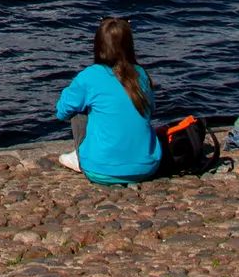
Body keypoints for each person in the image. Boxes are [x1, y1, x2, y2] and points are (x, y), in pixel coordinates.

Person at [55, 17, 163, 182]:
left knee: (78, 109)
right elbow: (151, 110)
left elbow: (62, 112)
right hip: (148, 167)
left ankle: (81, 156)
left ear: (98, 45)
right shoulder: (141, 74)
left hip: (100, 170)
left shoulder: (89, 76)